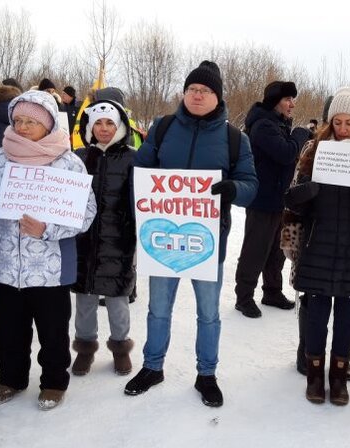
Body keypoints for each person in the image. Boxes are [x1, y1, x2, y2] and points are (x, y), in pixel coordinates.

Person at [125, 60, 258, 407]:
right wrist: (141, 205)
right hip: (163, 239)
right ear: (184, 93)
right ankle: (153, 367)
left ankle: (207, 374)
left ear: (218, 97)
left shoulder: (234, 138)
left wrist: (233, 189)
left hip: (207, 242)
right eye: (192, 89)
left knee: (209, 312)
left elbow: (251, 185)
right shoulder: (164, 127)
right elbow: (141, 169)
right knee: (158, 309)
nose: (198, 95)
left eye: (206, 90)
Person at [0, 90, 96, 411]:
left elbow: (85, 213)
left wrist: (48, 230)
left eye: (31, 121)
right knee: (11, 329)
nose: (24, 127)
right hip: (4, 263)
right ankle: (10, 379)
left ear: (48, 124)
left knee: (52, 331)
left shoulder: (68, 163)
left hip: (50, 267)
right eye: (18, 120)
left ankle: (54, 382)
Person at [283, 87, 350, 406]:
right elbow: (292, 200)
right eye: (338, 121)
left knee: (345, 315)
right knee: (316, 313)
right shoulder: (314, 150)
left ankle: (338, 376)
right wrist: (303, 194)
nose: (343, 128)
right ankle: (314, 374)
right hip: (318, 243)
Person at [70, 99, 136, 376]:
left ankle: (120, 348)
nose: (104, 128)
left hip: (118, 241)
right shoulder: (79, 157)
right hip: (84, 242)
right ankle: (85, 349)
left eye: (110, 122)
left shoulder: (133, 157)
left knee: (117, 300)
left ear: (120, 125)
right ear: (90, 126)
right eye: (98, 122)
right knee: (84, 301)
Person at [234, 80, 310, 318]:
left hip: (279, 199)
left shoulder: (278, 123)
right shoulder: (263, 125)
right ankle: (243, 297)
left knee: (277, 249)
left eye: (292, 99)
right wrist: (300, 134)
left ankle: (272, 291)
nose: (292, 104)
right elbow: (286, 153)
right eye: (288, 99)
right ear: (275, 101)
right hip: (262, 199)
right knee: (255, 249)